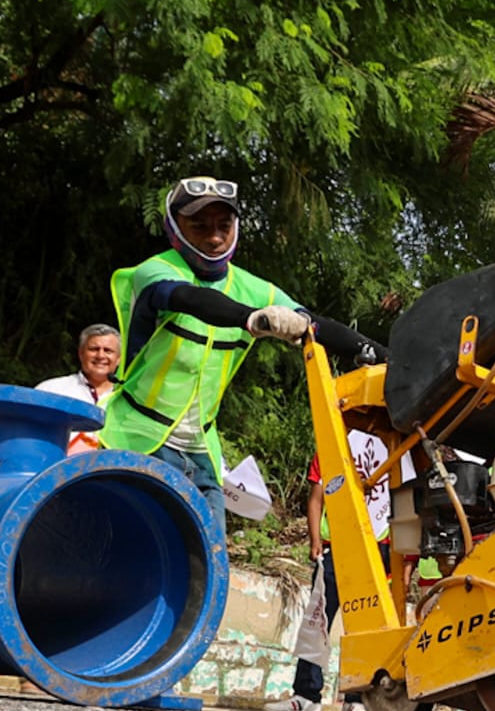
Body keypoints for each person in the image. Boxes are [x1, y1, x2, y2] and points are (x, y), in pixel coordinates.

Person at [102, 175, 381, 524]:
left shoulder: (255, 289)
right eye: (199, 226)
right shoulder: (155, 271)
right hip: (136, 437)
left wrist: (384, 356)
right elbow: (191, 298)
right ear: (175, 228)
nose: (215, 237)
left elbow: (319, 326)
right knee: (134, 543)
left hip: (201, 451)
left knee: (208, 559)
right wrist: (251, 318)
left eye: (224, 224)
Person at [265, 441, 391, 711]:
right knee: (318, 619)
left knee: (364, 624)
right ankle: (306, 696)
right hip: (337, 544)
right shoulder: (332, 442)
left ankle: (358, 698)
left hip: (376, 544)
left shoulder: (393, 445)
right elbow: (316, 496)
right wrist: (314, 540)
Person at [35, 323, 120, 453]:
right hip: (58, 469)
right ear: (81, 354)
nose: (100, 355)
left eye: (108, 350)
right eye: (94, 349)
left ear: (118, 358)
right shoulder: (51, 390)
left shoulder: (129, 399)